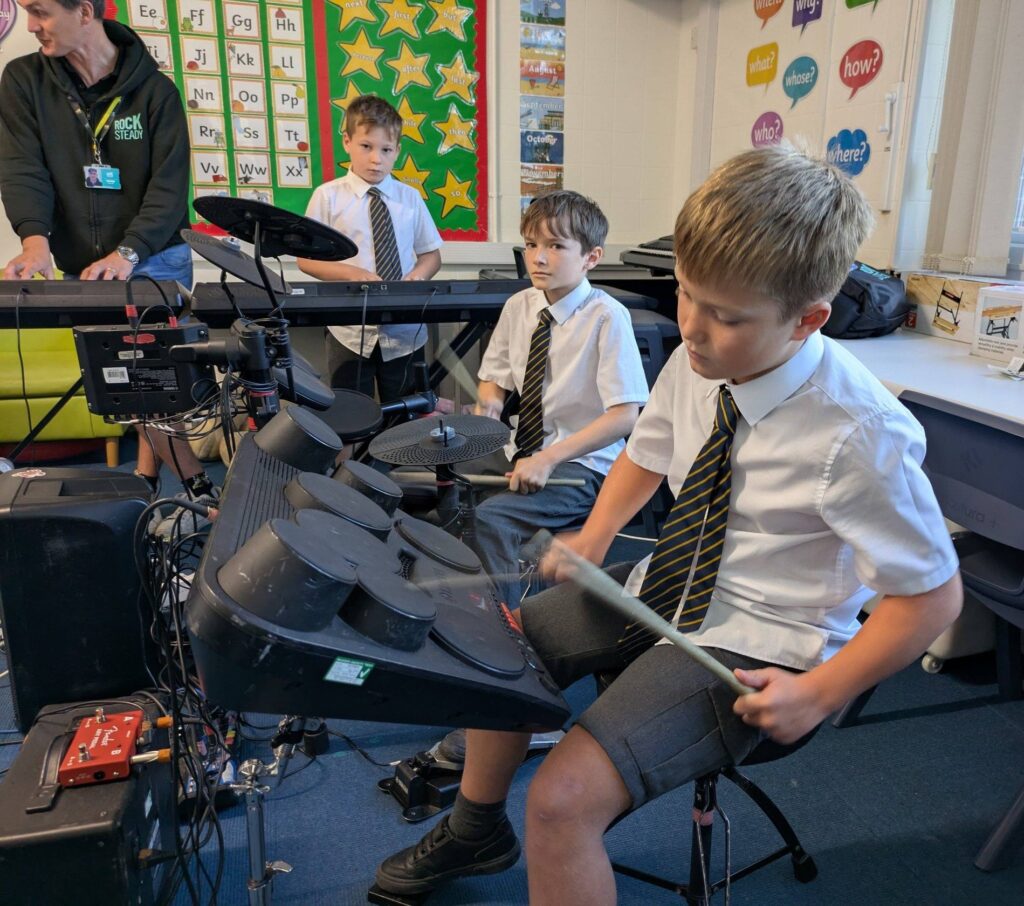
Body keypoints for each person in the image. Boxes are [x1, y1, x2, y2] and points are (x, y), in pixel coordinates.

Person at [373, 147, 963, 903]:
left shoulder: (860, 433)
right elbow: (645, 455)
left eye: (724, 315)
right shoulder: (701, 358)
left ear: (808, 319)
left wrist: (819, 693)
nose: (691, 327)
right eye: (687, 295)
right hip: (668, 583)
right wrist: (592, 538)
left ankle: (527, 820)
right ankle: (476, 828)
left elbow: (932, 599)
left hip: (760, 638)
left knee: (560, 802)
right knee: (494, 654)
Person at [0, 0, 215, 518]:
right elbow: (23, 166)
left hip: (156, 255)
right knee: (134, 383)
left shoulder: (156, 92)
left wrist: (129, 251)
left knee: (157, 383)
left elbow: (168, 190)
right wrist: (35, 240)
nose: (31, 26)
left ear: (86, 12)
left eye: (41, 12)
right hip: (88, 265)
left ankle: (182, 482)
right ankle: (189, 483)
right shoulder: (24, 80)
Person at [469, 189, 648, 610]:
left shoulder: (607, 317)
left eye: (555, 246)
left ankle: (506, 626)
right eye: (532, 245)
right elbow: (493, 379)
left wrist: (549, 458)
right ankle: (485, 598)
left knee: (491, 519)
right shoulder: (519, 305)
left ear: (591, 257)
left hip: (584, 466)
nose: (539, 258)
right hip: (522, 449)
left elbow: (625, 416)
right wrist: (491, 405)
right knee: (448, 487)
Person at [296, 94, 443, 402]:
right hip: (348, 330)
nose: (377, 158)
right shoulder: (327, 197)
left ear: (397, 151)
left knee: (406, 417)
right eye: (367, 147)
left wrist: (417, 277)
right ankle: (353, 454)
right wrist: (352, 273)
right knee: (350, 413)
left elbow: (431, 255)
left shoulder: (410, 198)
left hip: (405, 332)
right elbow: (306, 260)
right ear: (347, 142)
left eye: (386, 150)